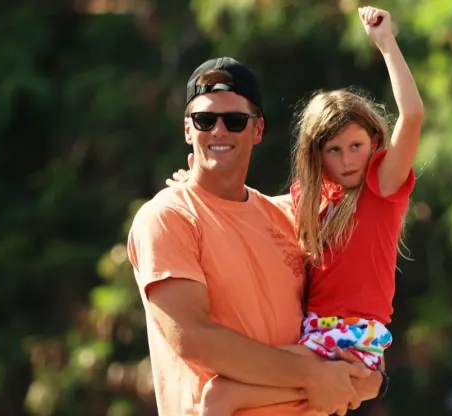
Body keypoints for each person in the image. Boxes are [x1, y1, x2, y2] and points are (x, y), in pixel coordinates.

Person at [167, 6, 425, 416]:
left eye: (357, 146)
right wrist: (194, 183)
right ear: (317, 156)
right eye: (334, 151)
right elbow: (248, 207)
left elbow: (411, 117)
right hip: (316, 336)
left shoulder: (381, 189)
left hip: (348, 339)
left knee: (219, 397)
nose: (347, 160)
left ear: (375, 142)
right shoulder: (310, 201)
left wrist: (386, 43)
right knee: (225, 398)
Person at [126, 32, 386, 416]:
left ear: (258, 130)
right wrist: (313, 375)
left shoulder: (292, 216)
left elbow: (351, 308)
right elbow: (194, 339)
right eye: (204, 119)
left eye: (234, 120)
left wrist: (376, 379)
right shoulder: (168, 217)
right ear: (187, 129)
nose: (218, 131)